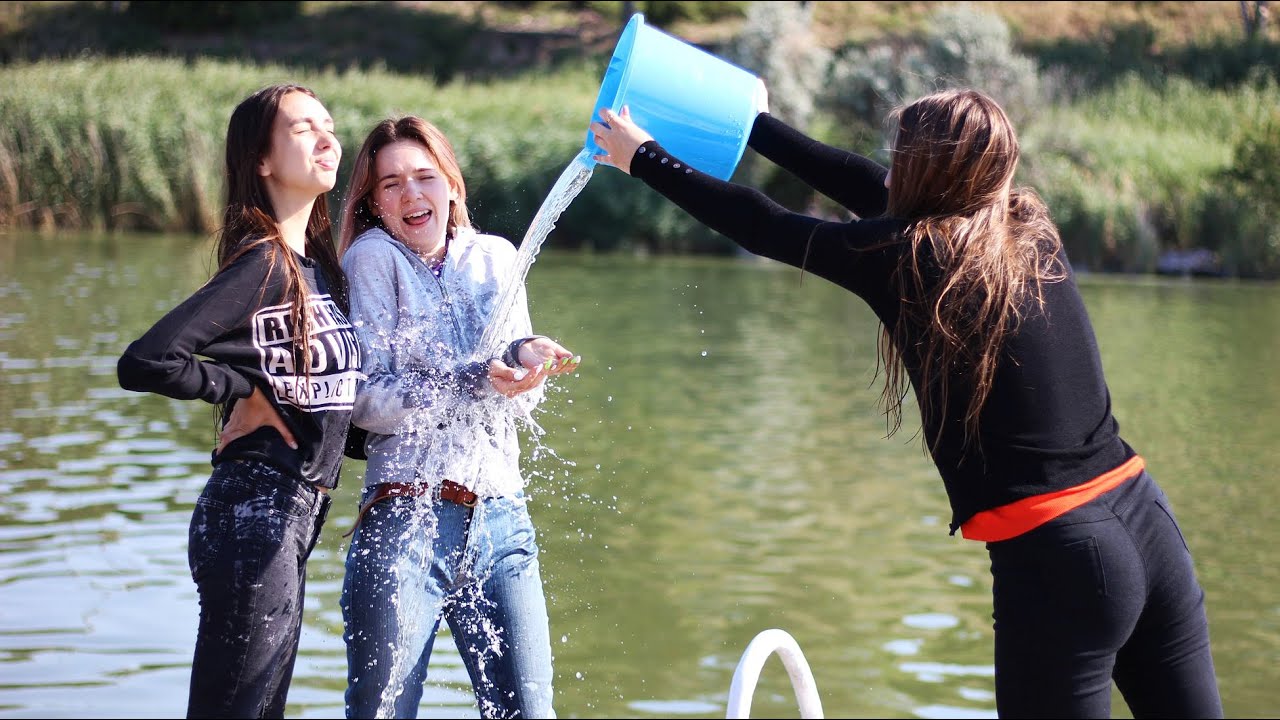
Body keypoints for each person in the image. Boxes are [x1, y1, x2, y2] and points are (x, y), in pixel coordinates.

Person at [590, 89, 1222, 718]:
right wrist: (751, 121)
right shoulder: (1027, 226)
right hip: (1149, 524)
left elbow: (765, 226)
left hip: (1065, 556)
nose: (888, 170)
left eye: (903, 158)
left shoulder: (910, 259)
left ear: (931, 177)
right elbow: (859, 179)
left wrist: (644, 157)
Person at [116, 83, 359, 718]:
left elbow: (329, 413)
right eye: (304, 129)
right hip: (253, 511)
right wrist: (241, 388)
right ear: (261, 160)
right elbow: (146, 360)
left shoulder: (323, 273)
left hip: (297, 516)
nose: (327, 138)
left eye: (329, 125)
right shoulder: (262, 263)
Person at [337, 115, 578, 719]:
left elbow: (521, 403)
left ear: (453, 185)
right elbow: (366, 400)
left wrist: (527, 362)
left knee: (530, 712)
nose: (411, 194)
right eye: (390, 184)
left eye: (424, 176)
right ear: (373, 202)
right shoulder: (372, 259)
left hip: (503, 520)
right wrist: (472, 379)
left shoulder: (499, 258)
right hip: (404, 519)